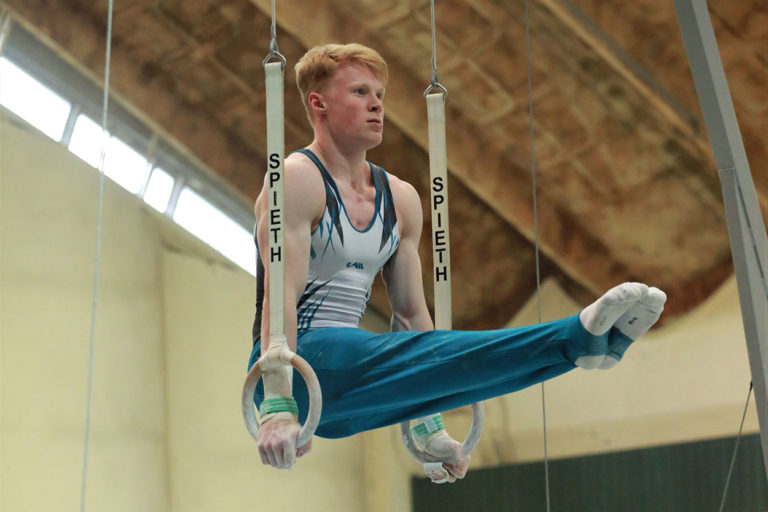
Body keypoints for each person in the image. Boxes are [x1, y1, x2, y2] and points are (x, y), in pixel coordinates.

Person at [249, 43, 667, 483]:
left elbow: (412, 318)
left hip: (352, 390)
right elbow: (281, 298)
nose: (376, 104)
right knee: (433, 354)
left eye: (380, 94)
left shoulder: (401, 199)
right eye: (359, 92)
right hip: (294, 365)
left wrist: (429, 429)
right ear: (319, 104)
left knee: (467, 367)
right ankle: (575, 334)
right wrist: (277, 404)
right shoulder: (295, 178)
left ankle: (584, 349)